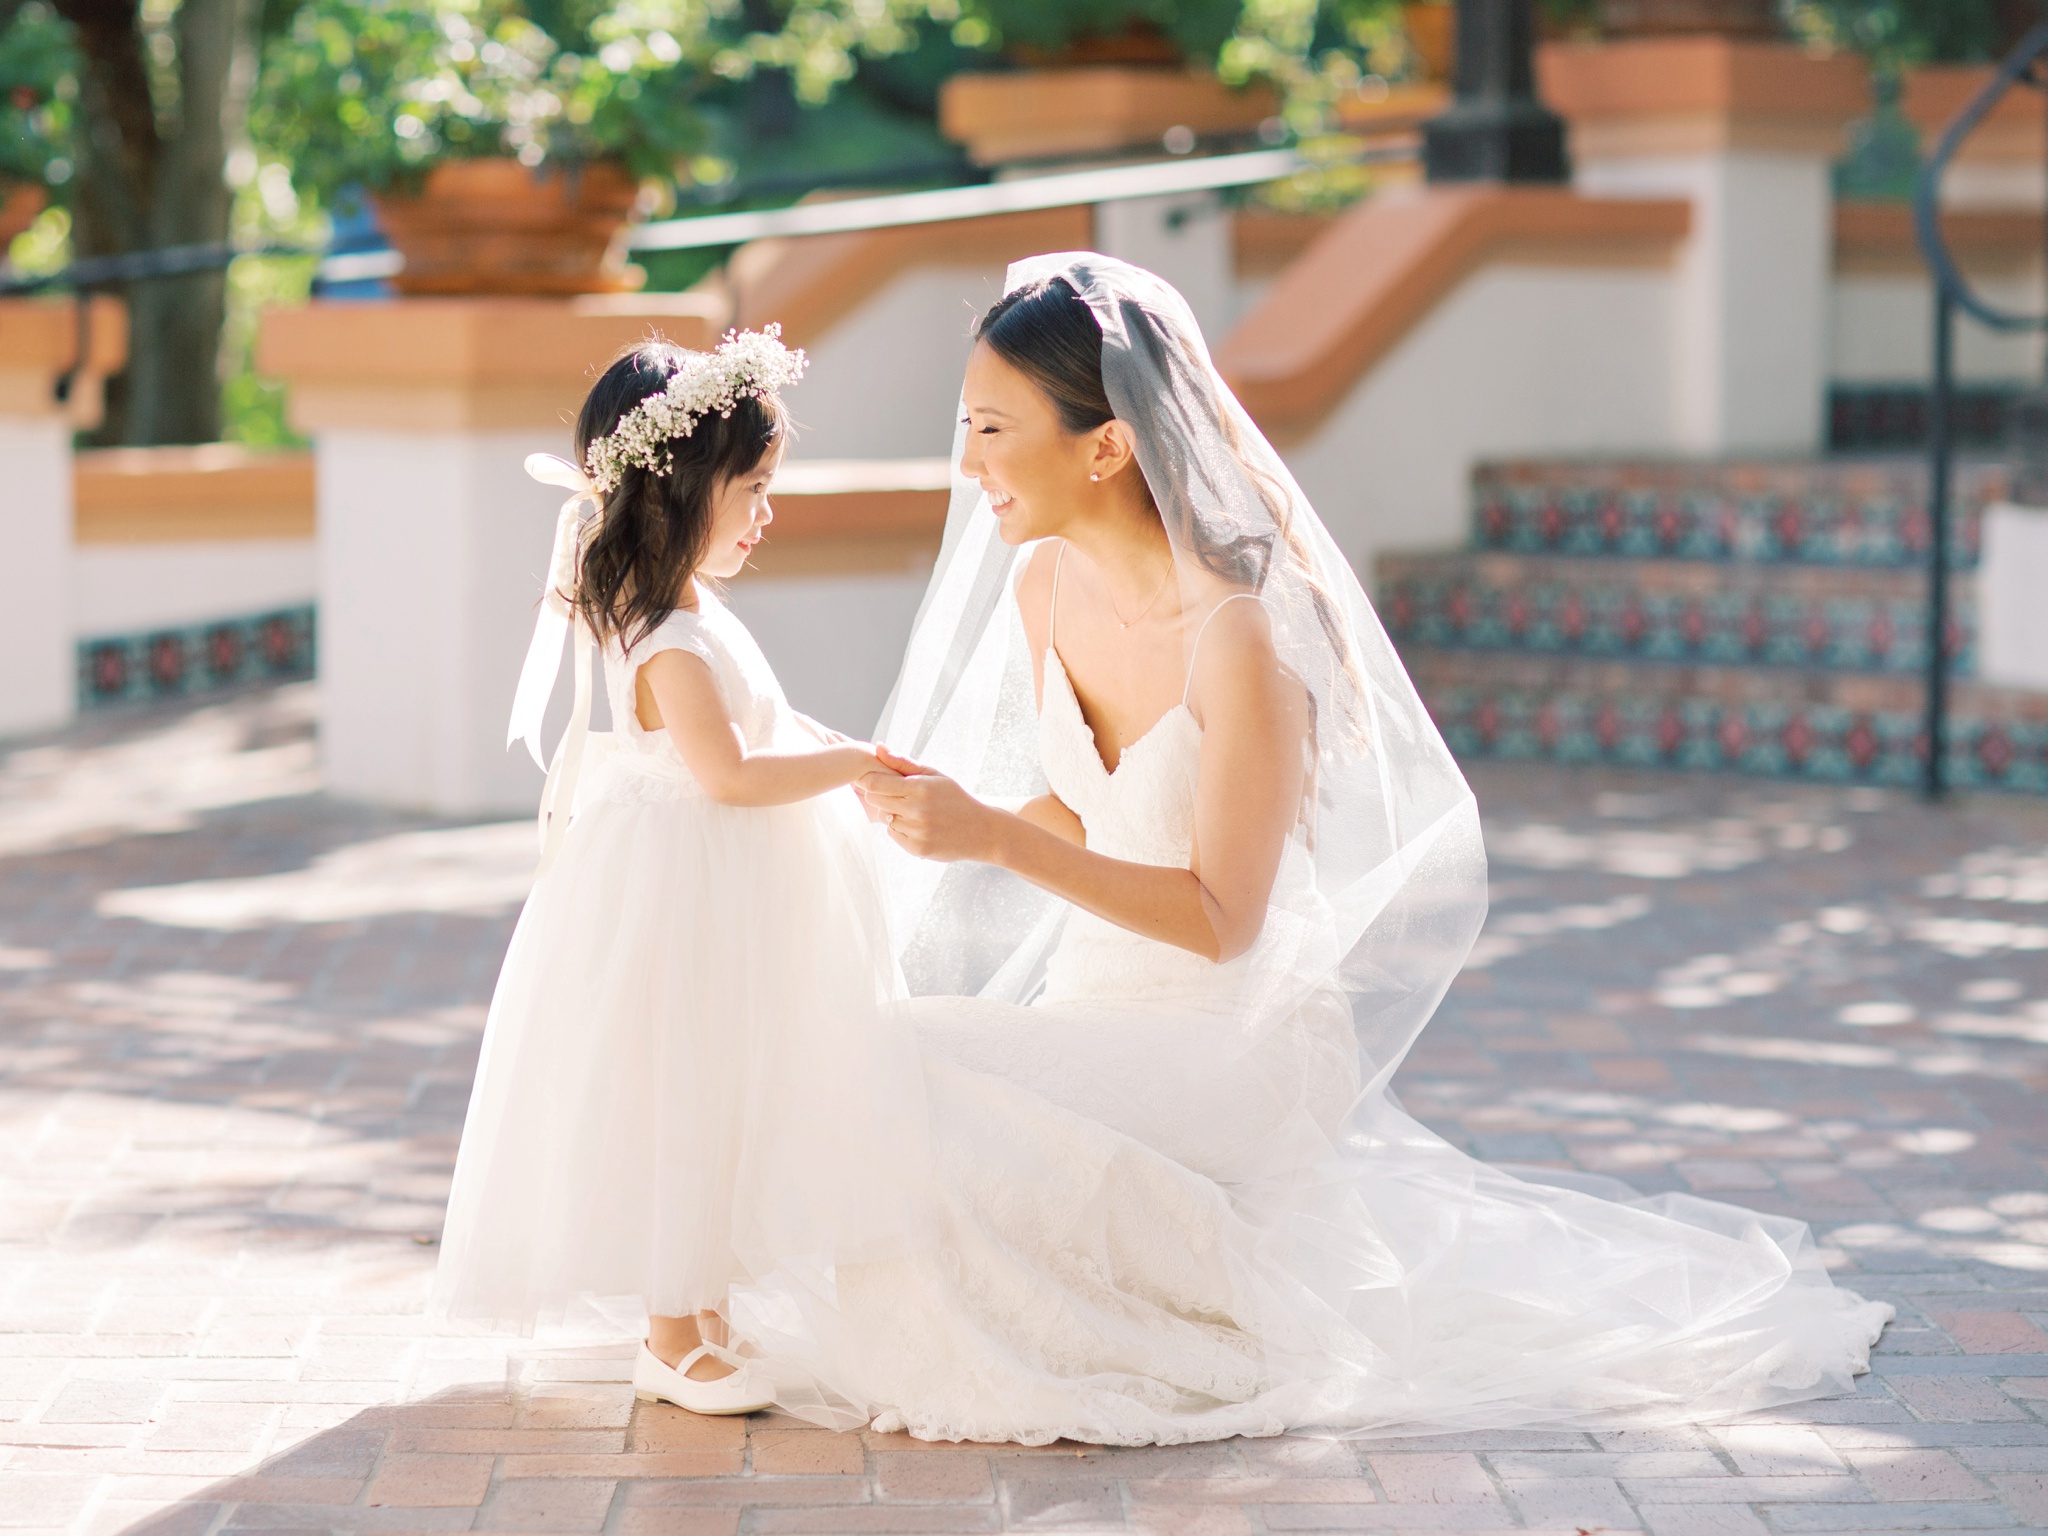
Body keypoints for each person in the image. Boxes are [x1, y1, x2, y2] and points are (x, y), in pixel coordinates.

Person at [733, 255, 1893, 1446]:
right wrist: (929, 817)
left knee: (913, 1060)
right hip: (1094, 1006)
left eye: (988, 427)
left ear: (1104, 446)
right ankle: (1006, 1332)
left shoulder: (1237, 634)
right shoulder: (1043, 586)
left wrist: (995, 844)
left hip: (1232, 1035)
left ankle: (1112, 1341)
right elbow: (1087, 815)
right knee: (875, 1056)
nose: (966, 463)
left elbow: (1222, 917)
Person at [428, 329, 923, 1418]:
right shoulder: (665, 637)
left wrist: (844, 746)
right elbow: (731, 771)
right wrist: (853, 765)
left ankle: (701, 1313)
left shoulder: (692, 615)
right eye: (751, 487)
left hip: (720, 887)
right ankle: (668, 1330)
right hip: (683, 897)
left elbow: (763, 724)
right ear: (682, 487)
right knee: (680, 1093)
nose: (765, 511)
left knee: (726, 1085)